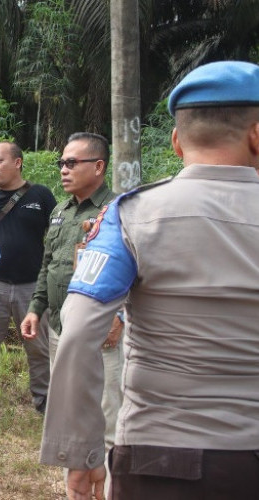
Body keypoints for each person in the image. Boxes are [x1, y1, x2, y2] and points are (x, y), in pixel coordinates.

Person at [39, 60, 259, 500]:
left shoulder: (130, 217)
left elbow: (78, 332)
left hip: (161, 458)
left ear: (177, 142)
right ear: (256, 135)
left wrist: (82, 455)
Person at [21, 132, 124, 451]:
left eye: (72, 163)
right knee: (67, 399)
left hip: (100, 327)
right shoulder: (60, 212)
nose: (63, 169)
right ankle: (77, 466)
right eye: (61, 163)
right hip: (60, 325)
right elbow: (47, 264)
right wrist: (36, 308)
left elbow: (136, 272)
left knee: (106, 406)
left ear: (98, 167)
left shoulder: (118, 210)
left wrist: (119, 317)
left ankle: (108, 476)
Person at [0, 141, 56, 417]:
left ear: (17, 162)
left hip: (32, 287)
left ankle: (44, 400)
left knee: (38, 348)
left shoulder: (41, 196)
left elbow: (54, 238)